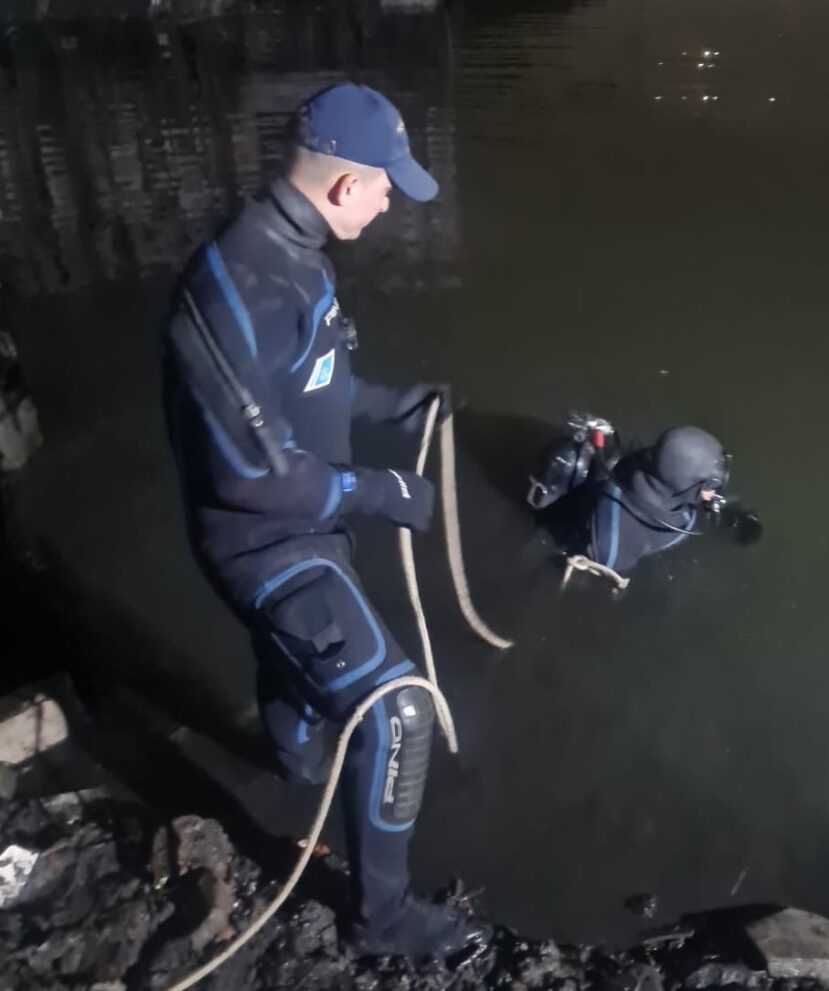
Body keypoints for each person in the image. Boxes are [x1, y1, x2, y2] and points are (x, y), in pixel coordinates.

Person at [163, 83, 486, 958]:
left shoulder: (301, 253)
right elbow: (248, 476)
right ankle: (381, 920)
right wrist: (380, 491)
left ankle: (292, 772)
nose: (390, 204)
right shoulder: (232, 288)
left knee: (304, 676)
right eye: (388, 187)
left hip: (306, 521)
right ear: (346, 187)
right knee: (398, 709)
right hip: (262, 540)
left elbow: (320, 389)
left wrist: (393, 404)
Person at [533, 419, 753, 580]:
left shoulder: (653, 464)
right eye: (711, 486)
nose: (715, 490)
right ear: (685, 486)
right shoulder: (618, 541)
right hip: (597, 547)